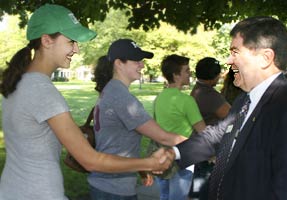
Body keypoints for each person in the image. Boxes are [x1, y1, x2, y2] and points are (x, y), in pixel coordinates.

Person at [0, 4, 173, 200]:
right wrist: (148, 163)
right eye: (71, 41)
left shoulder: (18, 82)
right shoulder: (42, 90)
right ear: (47, 40)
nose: (77, 49)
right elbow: (91, 161)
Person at [172, 16, 287, 200]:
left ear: (266, 57)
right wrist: (173, 154)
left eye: (235, 52)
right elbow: (216, 135)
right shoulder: (244, 101)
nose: (228, 60)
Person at [88, 39, 187, 200]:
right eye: (136, 60)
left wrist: (140, 169)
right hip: (113, 190)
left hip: (109, 185)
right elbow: (163, 137)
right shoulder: (121, 96)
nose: (142, 65)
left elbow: (116, 142)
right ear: (119, 63)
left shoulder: (111, 90)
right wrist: (204, 146)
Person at [152, 54, 206, 200]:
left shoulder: (159, 97)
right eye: (187, 71)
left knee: (164, 195)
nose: (190, 74)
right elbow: (204, 132)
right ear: (176, 75)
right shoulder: (186, 100)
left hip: (161, 155)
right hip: (183, 156)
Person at [189, 57, 231, 199]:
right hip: (209, 151)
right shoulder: (210, 95)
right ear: (213, 76)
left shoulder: (198, 90)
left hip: (200, 146)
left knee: (199, 188)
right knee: (203, 191)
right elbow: (233, 116)